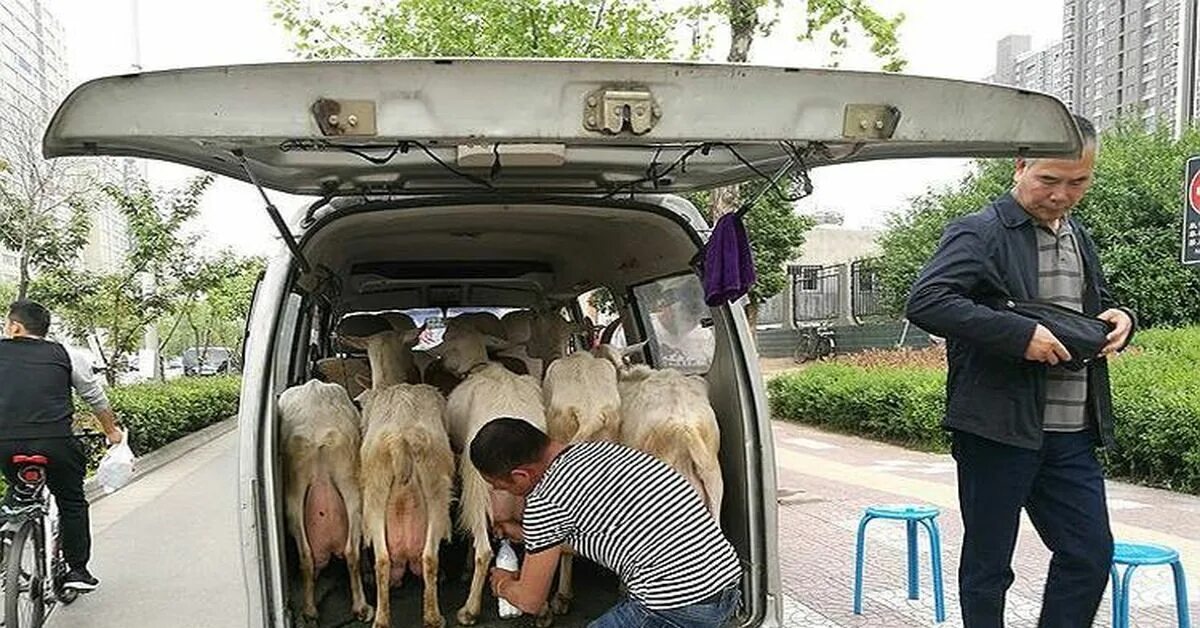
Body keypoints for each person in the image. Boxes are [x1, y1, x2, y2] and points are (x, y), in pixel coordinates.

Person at [906, 115, 1136, 628]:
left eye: (1078, 182)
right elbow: (927, 301)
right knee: (989, 567)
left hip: (1071, 433)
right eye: (1049, 180)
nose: (1062, 195)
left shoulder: (1079, 236)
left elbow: (1088, 306)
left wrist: (1123, 317)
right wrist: (1019, 336)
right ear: (1020, 166)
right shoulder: (979, 231)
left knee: (1089, 554)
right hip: (997, 428)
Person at [473, 417, 741, 628]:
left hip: (676, 604)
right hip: (724, 584)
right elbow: (608, 531)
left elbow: (531, 601)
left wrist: (503, 583)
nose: (500, 492)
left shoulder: (545, 500)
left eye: (498, 486)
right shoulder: (603, 452)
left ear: (521, 476)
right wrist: (522, 533)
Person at [0, 300, 124, 591]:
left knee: (15, 495)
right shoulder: (67, 354)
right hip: (55, 442)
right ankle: (78, 571)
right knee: (71, 501)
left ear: (15, 327)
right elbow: (95, 398)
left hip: (5, 442)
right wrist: (112, 432)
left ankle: (7, 560)